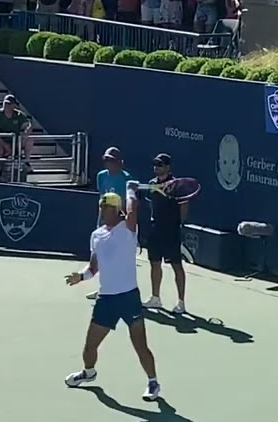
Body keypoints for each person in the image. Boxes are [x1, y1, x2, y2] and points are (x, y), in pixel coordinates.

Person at [63, 185, 161, 402]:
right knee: (90, 346)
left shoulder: (128, 229)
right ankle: (89, 373)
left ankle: (153, 382)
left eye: (106, 207)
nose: (102, 211)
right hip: (106, 299)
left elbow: (133, 208)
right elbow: (93, 268)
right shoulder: (96, 235)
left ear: (117, 210)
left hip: (129, 298)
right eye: (101, 207)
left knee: (139, 344)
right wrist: (81, 276)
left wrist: (131, 190)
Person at [142, 153, 188, 314]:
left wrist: (178, 224)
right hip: (155, 229)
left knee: (176, 266)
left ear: (168, 167)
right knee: (154, 263)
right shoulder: (152, 184)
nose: (156, 167)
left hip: (171, 231)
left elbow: (184, 207)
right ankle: (156, 298)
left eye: (160, 165)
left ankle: (181, 302)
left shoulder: (178, 186)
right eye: (155, 164)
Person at [86, 146, 133, 299]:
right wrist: (101, 219)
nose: (108, 163)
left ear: (120, 163)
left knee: (116, 256)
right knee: (101, 255)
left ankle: (122, 289)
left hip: (120, 223)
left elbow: (128, 203)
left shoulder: (126, 178)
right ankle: (102, 287)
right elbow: (102, 198)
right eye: (106, 160)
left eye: (112, 161)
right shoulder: (101, 176)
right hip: (104, 219)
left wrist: (124, 222)